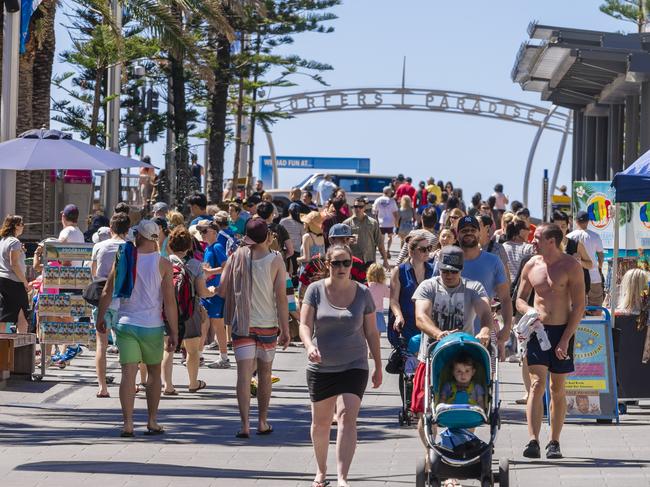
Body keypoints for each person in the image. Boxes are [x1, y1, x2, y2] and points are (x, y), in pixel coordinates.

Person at [299, 244, 382, 487]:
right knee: (321, 423)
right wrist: (308, 346)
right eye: (336, 263)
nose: (342, 268)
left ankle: (342, 477)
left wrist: (377, 364)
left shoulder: (363, 293)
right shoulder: (315, 290)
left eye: (346, 263)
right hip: (321, 366)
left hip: (354, 365)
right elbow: (304, 325)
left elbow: (372, 332)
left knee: (347, 417)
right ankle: (321, 471)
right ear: (328, 265)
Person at [96, 219, 179, 437]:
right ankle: (152, 421)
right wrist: (174, 331)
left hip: (126, 324)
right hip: (152, 326)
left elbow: (106, 290)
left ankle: (128, 424)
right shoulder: (163, 264)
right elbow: (170, 302)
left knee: (128, 374)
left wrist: (101, 317)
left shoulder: (124, 259)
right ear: (156, 238)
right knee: (153, 373)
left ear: (138, 236)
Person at [516, 224, 585, 459]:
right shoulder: (531, 264)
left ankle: (554, 441)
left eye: (537, 238)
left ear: (552, 241)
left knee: (557, 388)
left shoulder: (571, 266)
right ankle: (533, 439)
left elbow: (579, 306)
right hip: (537, 331)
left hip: (562, 331)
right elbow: (520, 300)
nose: (532, 241)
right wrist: (530, 313)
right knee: (537, 383)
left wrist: (566, 339)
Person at [411, 246, 493, 444]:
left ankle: (462, 445)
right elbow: (420, 316)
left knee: (468, 404)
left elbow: (485, 312)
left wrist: (485, 330)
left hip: (461, 355)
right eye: (444, 270)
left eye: (453, 271)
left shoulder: (473, 287)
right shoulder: (428, 286)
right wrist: (438, 333)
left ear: (461, 270)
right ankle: (431, 452)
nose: (448, 275)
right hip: (431, 356)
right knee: (426, 410)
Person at [217, 218, 290, 438]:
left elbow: (221, 290)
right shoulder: (276, 261)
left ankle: (245, 425)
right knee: (265, 375)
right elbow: (281, 298)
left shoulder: (235, 257)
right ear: (268, 236)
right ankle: (262, 421)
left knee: (243, 376)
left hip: (243, 324)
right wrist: (286, 330)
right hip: (268, 324)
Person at [162, 227, 217, 395]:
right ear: (189, 246)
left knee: (168, 349)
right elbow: (201, 292)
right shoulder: (195, 265)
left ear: (170, 245)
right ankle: (193, 383)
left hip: (167, 310)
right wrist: (212, 290)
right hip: (190, 311)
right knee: (192, 351)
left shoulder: (163, 262)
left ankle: (168, 386)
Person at [452, 216, 512, 358]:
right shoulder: (447, 258)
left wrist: (507, 327)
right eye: (464, 230)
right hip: (450, 335)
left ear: (479, 233)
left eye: (473, 230)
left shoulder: (493, 261)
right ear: (457, 234)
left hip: (483, 335)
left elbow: (505, 298)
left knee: (484, 379)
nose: (469, 233)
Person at [91, 212, 130, 398]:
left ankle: (102, 386)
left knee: (101, 344)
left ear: (111, 228)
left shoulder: (99, 246)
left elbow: (94, 273)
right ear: (128, 230)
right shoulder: (130, 248)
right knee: (126, 346)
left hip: (102, 300)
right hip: (124, 303)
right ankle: (130, 383)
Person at [196, 219, 231, 368]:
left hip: (215, 291)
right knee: (204, 324)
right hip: (207, 291)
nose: (202, 234)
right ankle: (198, 355)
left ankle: (223, 357)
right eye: (200, 231)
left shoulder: (217, 246)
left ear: (214, 232)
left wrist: (209, 272)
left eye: (205, 231)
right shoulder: (208, 248)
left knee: (217, 325)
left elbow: (226, 266)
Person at [389, 235, 435, 345]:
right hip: (406, 325)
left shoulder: (433, 270)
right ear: (411, 251)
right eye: (423, 249)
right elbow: (393, 300)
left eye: (429, 248)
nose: (427, 252)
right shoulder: (399, 270)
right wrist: (398, 316)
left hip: (427, 324)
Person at [567, 210, 605, 309]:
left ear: (576, 221)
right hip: (594, 277)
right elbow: (600, 256)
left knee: (577, 310)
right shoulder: (595, 236)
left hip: (575, 279)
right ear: (588, 221)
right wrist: (600, 269)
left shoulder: (569, 237)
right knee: (596, 309)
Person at [0, 215, 29, 332]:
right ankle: (22, 348)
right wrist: (25, 281)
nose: (23, 227)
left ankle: (2, 346)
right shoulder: (15, 241)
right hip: (14, 281)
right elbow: (14, 264)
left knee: (4, 314)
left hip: (3, 279)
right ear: (15, 226)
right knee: (21, 314)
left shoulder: (3, 240)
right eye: (21, 224)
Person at [344, 197, 389, 270]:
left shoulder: (373, 223)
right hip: (353, 260)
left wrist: (385, 261)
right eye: (356, 206)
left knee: (369, 281)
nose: (358, 209)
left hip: (369, 259)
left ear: (364, 208)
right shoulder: (346, 223)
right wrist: (347, 241)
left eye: (360, 207)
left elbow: (380, 243)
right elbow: (340, 243)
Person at [280, 203, 305, 277]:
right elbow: (303, 237)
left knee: (286, 272)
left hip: (285, 250)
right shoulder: (300, 224)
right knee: (295, 273)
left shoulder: (282, 221)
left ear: (289, 211)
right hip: (296, 251)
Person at [372, 186, 399, 254]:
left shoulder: (378, 200)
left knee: (382, 238)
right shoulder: (392, 201)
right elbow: (395, 213)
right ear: (389, 192)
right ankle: (388, 250)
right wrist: (396, 223)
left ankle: (383, 251)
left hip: (381, 223)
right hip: (390, 223)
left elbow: (374, 212)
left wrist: (376, 221)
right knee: (390, 237)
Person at [367, 263, 390, 334]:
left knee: (367, 333)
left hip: (367, 313)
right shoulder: (383, 287)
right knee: (377, 334)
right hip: (378, 313)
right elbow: (390, 295)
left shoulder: (367, 285)